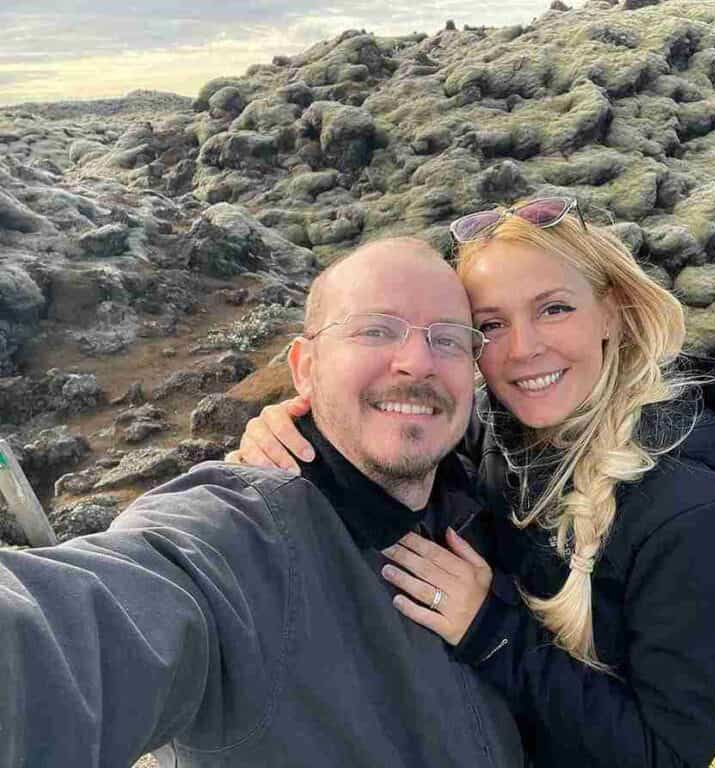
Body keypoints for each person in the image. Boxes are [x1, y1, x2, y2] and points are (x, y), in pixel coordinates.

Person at [233, 197, 715, 768]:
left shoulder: (694, 522)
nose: (522, 349)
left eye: (554, 309)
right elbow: (394, 460)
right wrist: (300, 430)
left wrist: (488, 630)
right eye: (490, 324)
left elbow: (666, 757)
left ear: (611, 313)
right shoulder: (491, 437)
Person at [0, 239, 524, 768]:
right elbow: (74, 632)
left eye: (450, 340)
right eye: (375, 330)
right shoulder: (240, 538)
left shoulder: (495, 489)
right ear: (305, 369)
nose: (418, 362)